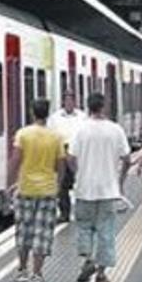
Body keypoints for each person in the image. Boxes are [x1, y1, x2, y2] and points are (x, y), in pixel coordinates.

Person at [68, 92, 131, 282]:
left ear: (88, 107)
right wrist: (120, 181)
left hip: (84, 189)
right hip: (108, 190)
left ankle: (88, 259)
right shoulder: (116, 130)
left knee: (84, 227)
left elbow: (70, 157)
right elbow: (127, 159)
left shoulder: (81, 130)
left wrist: (78, 174)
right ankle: (101, 274)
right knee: (106, 232)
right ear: (104, 107)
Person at [7, 99, 66, 282]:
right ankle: (37, 275)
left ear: (32, 113)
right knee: (42, 234)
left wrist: (9, 184)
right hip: (48, 191)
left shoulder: (23, 134)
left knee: (24, 232)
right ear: (47, 114)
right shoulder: (56, 137)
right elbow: (61, 165)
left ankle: (22, 270)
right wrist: (58, 186)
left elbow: (15, 160)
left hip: (25, 189)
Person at [49, 91, 86, 222]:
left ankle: (82, 212)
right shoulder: (55, 118)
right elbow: (51, 135)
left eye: (71, 100)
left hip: (78, 152)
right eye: (66, 100)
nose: (69, 103)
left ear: (75, 102)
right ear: (63, 102)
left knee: (81, 182)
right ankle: (65, 213)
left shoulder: (82, 116)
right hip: (62, 152)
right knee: (62, 184)